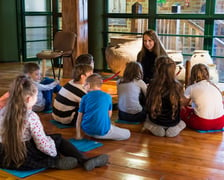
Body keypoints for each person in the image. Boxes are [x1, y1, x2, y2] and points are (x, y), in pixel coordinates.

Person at [0, 75, 109, 171]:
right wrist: (54, 151)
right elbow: (42, 145)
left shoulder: (3, 110)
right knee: (57, 140)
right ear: (28, 99)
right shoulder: (31, 117)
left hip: (5, 157)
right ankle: (79, 160)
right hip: (25, 157)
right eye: (36, 97)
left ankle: (55, 163)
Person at [76, 73, 131, 140]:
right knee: (128, 133)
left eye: (85, 84)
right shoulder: (108, 96)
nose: (84, 86)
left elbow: (79, 118)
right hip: (102, 132)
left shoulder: (84, 97)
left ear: (89, 85)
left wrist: (78, 134)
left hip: (87, 131)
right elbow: (109, 116)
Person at [143, 56, 186, 137]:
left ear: (157, 70)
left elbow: (148, 104)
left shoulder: (152, 84)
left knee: (146, 120)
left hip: (155, 121)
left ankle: (156, 128)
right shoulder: (178, 86)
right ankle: (172, 129)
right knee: (182, 123)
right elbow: (180, 106)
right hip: (173, 122)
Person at [181, 63, 224, 131]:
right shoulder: (214, 86)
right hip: (221, 122)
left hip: (203, 124)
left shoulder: (191, 88)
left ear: (192, 75)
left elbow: (183, 104)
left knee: (181, 109)